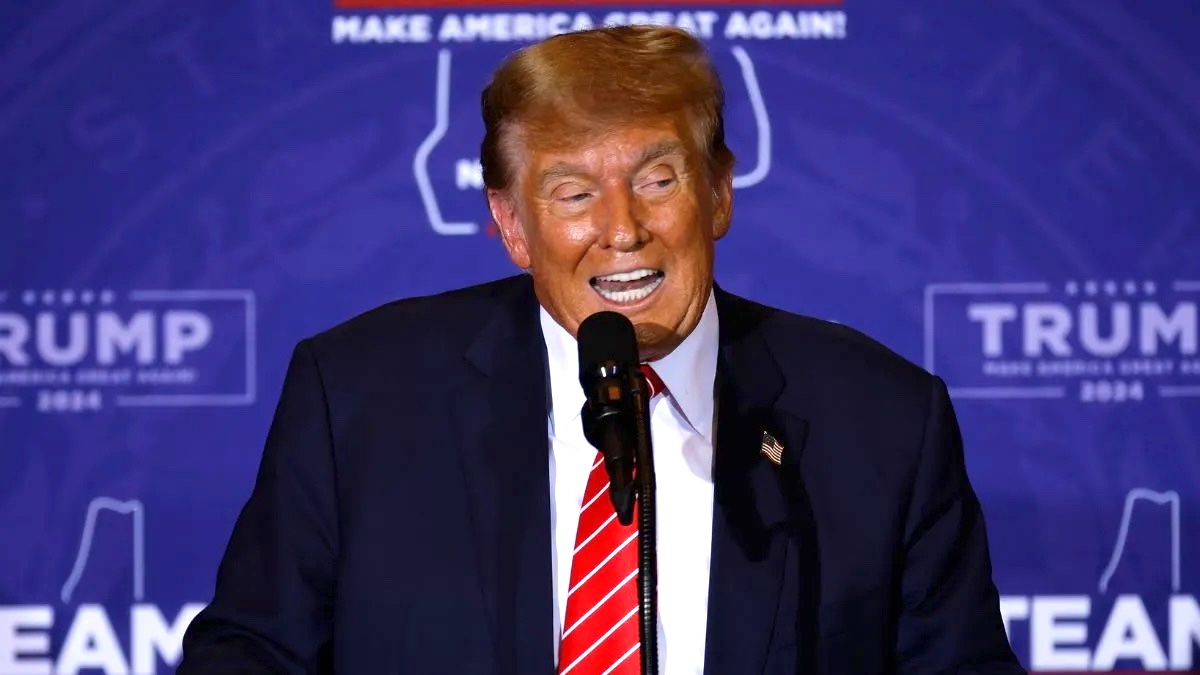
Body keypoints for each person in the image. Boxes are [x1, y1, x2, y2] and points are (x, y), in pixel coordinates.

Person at [178, 25, 1025, 675]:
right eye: (573, 191)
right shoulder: (358, 397)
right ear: (512, 224)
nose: (622, 229)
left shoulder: (880, 421)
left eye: (658, 179)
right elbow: (248, 654)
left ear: (720, 192)